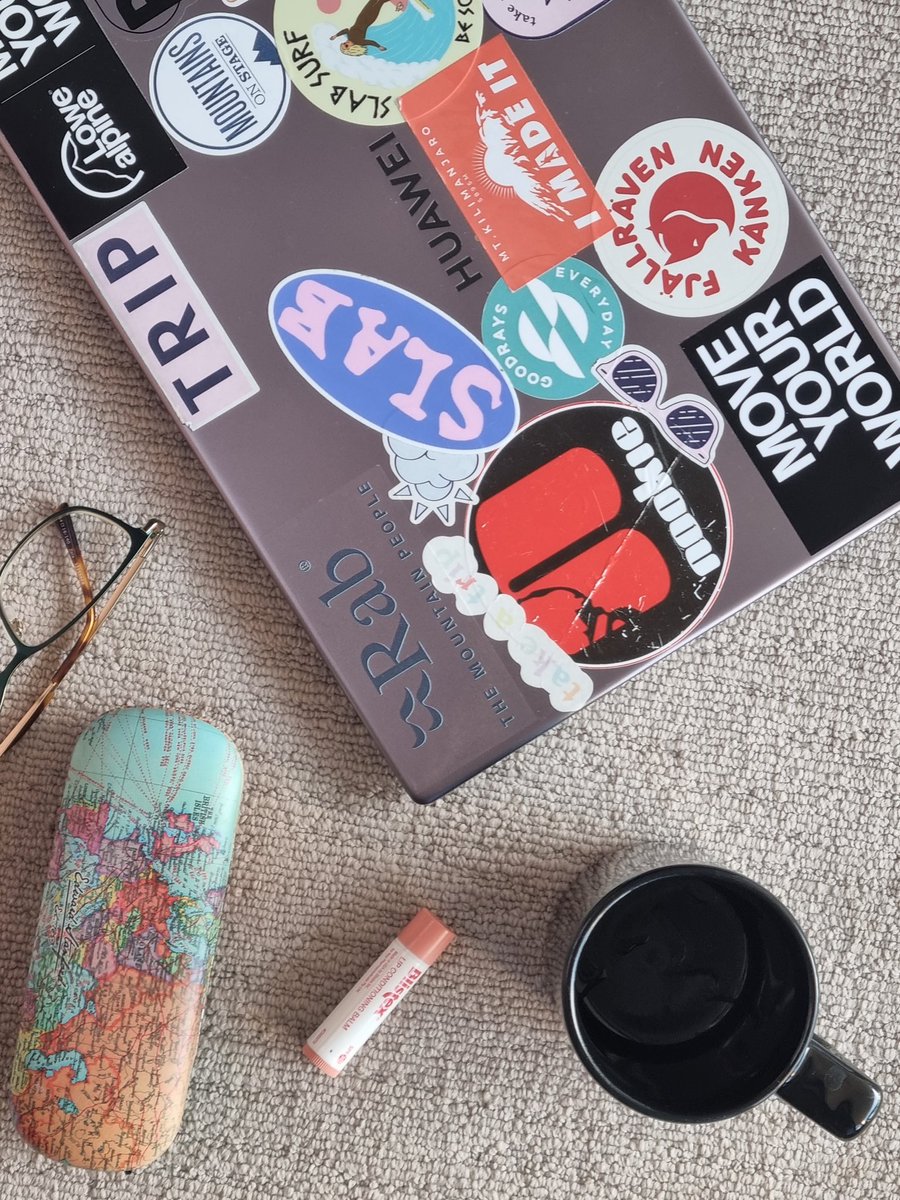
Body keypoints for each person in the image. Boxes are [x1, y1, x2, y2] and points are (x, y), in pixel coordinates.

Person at [330, 0, 407, 55]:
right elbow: (370, 42)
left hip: (362, 15)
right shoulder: (360, 42)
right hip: (369, 19)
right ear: (351, 48)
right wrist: (379, 47)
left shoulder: (349, 36)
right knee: (380, 2)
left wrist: (336, 36)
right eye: (346, 45)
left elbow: (345, 30)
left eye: (344, 43)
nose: (346, 43)